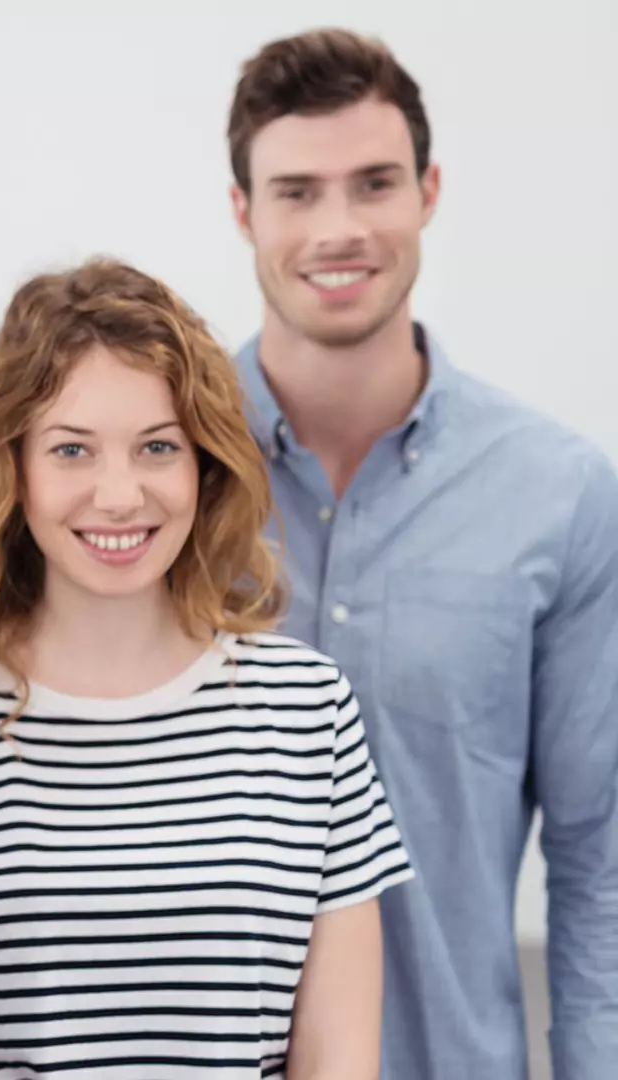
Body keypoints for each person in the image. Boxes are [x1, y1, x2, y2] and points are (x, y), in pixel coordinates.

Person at [0, 258, 415, 1079]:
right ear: (15, 469)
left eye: (156, 447)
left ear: (202, 466)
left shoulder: (307, 710)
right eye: (72, 450)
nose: (119, 494)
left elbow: (338, 1062)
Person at [224, 29, 618, 1079]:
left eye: (375, 183)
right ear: (243, 211)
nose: (339, 228)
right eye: (297, 191)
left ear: (429, 191)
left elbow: (600, 863)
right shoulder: (148, 483)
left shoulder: (562, 495)